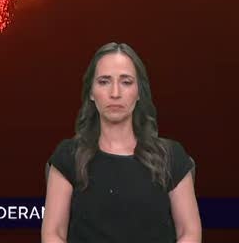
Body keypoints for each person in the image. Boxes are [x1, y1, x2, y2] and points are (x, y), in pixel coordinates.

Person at [40, 42, 201, 243]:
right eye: (104, 81)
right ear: (91, 92)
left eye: (126, 82)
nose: (115, 93)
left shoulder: (171, 156)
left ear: (139, 92)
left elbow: (190, 233)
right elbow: (52, 234)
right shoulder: (68, 156)